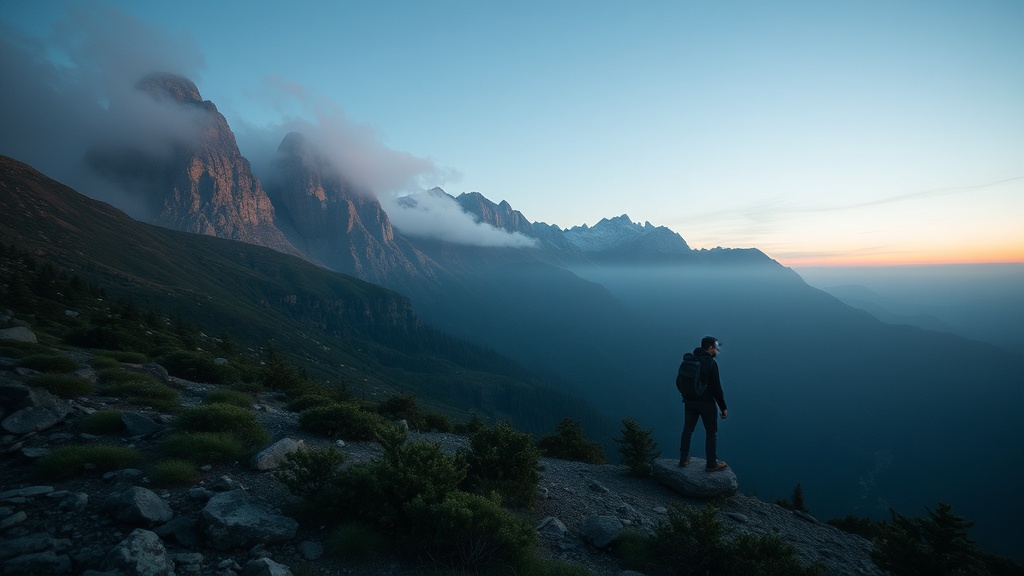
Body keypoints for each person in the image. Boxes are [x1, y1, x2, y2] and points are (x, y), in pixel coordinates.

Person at [679, 336, 729, 471]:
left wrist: (687, 395)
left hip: (689, 401)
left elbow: (679, 382)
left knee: (687, 430)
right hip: (707, 403)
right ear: (710, 348)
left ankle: (684, 459)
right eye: (715, 347)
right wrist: (723, 407)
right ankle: (711, 464)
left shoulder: (690, 360)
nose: (717, 350)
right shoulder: (711, 364)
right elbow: (717, 388)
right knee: (711, 433)